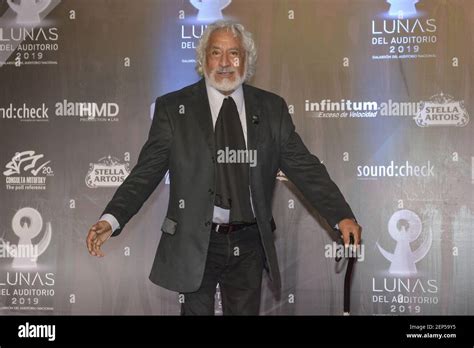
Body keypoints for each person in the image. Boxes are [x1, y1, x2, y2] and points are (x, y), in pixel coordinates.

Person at [86, 20, 362, 315]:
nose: (225, 63)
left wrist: (341, 215)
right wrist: (112, 218)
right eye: (216, 53)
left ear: (247, 60)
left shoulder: (272, 109)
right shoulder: (173, 109)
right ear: (203, 59)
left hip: (249, 243)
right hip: (195, 239)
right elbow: (146, 173)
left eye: (234, 54)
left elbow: (306, 168)